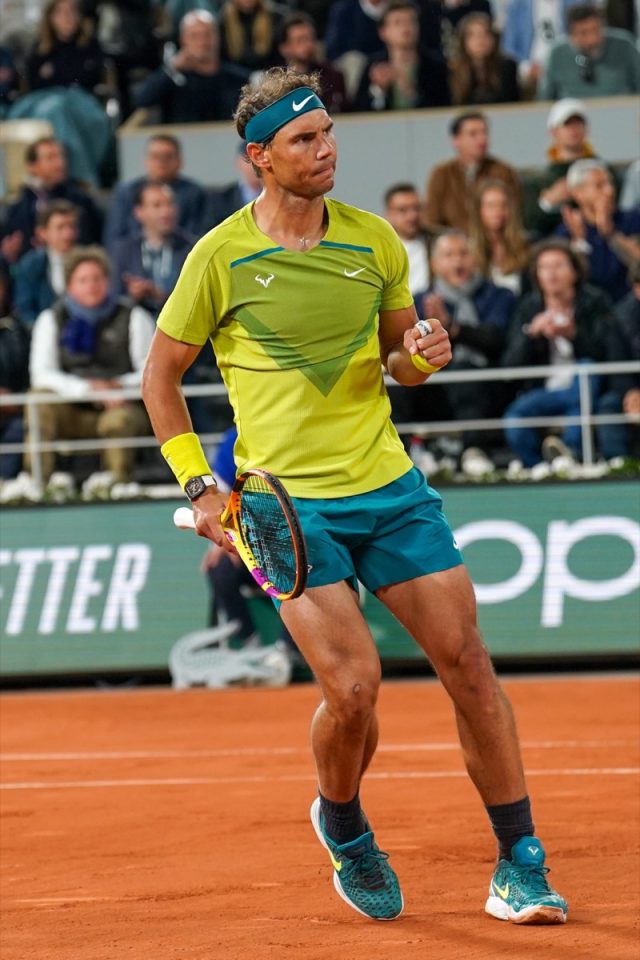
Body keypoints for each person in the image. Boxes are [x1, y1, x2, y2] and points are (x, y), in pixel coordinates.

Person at [141, 66, 568, 925]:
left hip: (390, 489)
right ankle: (343, 823)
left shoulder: (375, 242)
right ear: (261, 157)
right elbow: (160, 379)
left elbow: (396, 363)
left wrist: (423, 354)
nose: (326, 149)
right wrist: (203, 485)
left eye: (329, 131)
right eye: (304, 139)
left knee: (471, 668)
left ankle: (519, 862)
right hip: (286, 508)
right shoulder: (219, 256)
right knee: (357, 690)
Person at [28, 246, 154, 484]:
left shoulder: (134, 316)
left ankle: (117, 487)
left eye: (97, 278)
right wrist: (88, 390)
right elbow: (41, 375)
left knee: (119, 420)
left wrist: (117, 386)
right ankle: (36, 483)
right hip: (70, 408)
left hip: (121, 405)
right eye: (83, 280)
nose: (91, 285)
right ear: (69, 285)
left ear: (108, 281)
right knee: (38, 400)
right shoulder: (50, 319)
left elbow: (151, 372)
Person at [503, 238, 613, 467]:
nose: (552, 274)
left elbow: (607, 352)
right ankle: (540, 465)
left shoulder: (594, 301)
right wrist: (531, 334)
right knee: (514, 417)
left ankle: (568, 452)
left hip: (586, 387)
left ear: (574, 271)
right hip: (545, 390)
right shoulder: (528, 307)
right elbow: (510, 364)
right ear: (537, 275)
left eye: (559, 266)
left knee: (586, 370)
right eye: (545, 267)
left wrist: (573, 334)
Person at [416, 229, 515, 468]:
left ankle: (474, 451)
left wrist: (452, 328)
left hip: (489, 385)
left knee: (464, 371)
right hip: (435, 387)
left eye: (463, 254)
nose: (457, 262)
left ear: (475, 258)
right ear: (435, 264)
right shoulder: (419, 301)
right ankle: (407, 450)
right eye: (449, 255)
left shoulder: (498, 295)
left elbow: (495, 339)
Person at [133, 10, 250, 124]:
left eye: (207, 34)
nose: (202, 42)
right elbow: (142, 100)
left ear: (218, 37)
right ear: (183, 40)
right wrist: (171, 69)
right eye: (194, 36)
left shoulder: (237, 79)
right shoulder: (174, 80)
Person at [2, 136, 103, 264]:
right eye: (51, 158)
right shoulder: (17, 210)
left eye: (61, 156)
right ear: (32, 167)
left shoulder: (81, 201)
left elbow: (91, 243)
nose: (60, 163)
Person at [103, 134, 206, 254]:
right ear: (146, 160)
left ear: (180, 161)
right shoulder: (126, 192)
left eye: (168, 157)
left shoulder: (195, 193)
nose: (162, 162)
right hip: (133, 260)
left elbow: (198, 236)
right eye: (156, 156)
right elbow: (114, 238)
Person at [557, 158, 640, 304]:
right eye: (599, 186)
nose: (609, 191)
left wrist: (611, 234)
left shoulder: (633, 220)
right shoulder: (567, 231)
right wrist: (579, 242)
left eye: (610, 183)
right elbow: (570, 280)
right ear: (578, 193)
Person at [424, 110, 521, 234]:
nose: (482, 139)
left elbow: (514, 215)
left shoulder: (504, 172)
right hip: (455, 246)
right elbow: (432, 220)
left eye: (485, 133)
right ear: (456, 140)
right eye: (473, 134)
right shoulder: (441, 174)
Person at [523, 98, 604, 239]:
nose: (573, 129)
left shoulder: (603, 172)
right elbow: (529, 223)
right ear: (553, 132)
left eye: (578, 123)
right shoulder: (537, 181)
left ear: (586, 129)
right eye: (567, 124)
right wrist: (547, 203)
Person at [110, 183, 194, 318]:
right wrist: (132, 296)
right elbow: (113, 299)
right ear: (138, 212)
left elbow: (196, 300)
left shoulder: (193, 249)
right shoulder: (123, 251)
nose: (166, 212)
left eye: (170, 204)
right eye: (157, 205)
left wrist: (159, 295)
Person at [352, 0, 450, 112]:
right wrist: (378, 89)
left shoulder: (435, 65)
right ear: (383, 32)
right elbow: (359, 111)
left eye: (411, 21)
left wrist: (410, 92)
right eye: (398, 23)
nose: (406, 27)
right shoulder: (374, 65)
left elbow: (443, 108)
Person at [538, 3, 640, 101]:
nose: (592, 39)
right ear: (571, 35)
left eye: (596, 30)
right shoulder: (557, 54)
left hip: (624, 114)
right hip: (575, 117)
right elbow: (544, 101)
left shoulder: (625, 46)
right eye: (583, 33)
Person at [595, 261, 640, 460]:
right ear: (637, 289)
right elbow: (616, 361)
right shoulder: (620, 316)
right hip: (633, 386)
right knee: (609, 405)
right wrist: (630, 393)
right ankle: (619, 465)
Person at [12, 200, 79, 328]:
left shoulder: (88, 263)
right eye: (60, 227)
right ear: (42, 233)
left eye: (72, 226)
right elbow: (25, 310)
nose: (68, 234)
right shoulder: (30, 265)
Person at [25, 0, 105, 94]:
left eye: (72, 11)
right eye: (61, 11)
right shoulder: (41, 49)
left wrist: (53, 72)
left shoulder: (91, 46)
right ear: (51, 17)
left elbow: (92, 78)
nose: (67, 16)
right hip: (48, 102)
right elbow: (33, 85)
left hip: (81, 101)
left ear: (79, 16)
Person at [277, 12, 349, 114]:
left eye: (310, 38)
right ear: (284, 48)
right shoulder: (276, 83)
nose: (307, 44)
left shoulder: (334, 77)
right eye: (300, 40)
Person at [468, 179, 530, 294]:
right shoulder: (467, 250)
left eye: (504, 205)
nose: (498, 211)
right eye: (491, 206)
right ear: (478, 211)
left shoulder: (528, 245)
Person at [501, 0, 574, 96]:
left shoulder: (575, 2)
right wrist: (526, 68)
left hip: (564, 66)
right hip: (528, 69)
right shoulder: (517, 5)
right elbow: (509, 47)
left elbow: (578, 42)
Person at [448, 11, 520, 107]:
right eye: (473, 35)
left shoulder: (507, 67)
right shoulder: (452, 70)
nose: (480, 40)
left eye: (486, 34)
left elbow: (511, 103)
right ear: (463, 41)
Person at [0, 260, 31, 481]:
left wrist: (17, 401)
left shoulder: (19, 331)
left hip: (14, 414)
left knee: (20, 429)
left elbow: (31, 378)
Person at [202, 139, 263, 229]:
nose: (254, 165)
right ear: (237, 163)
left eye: (259, 157)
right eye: (248, 160)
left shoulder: (279, 197)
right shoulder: (221, 200)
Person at [384, 182, 431, 294]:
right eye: (403, 210)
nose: (412, 216)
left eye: (416, 208)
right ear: (388, 214)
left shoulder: (438, 242)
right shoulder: (379, 247)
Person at [218, 0, 283, 73]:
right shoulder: (223, 21)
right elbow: (223, 60)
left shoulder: (276, 18)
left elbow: (280, 55)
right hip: (236, 78)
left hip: (271, 76)